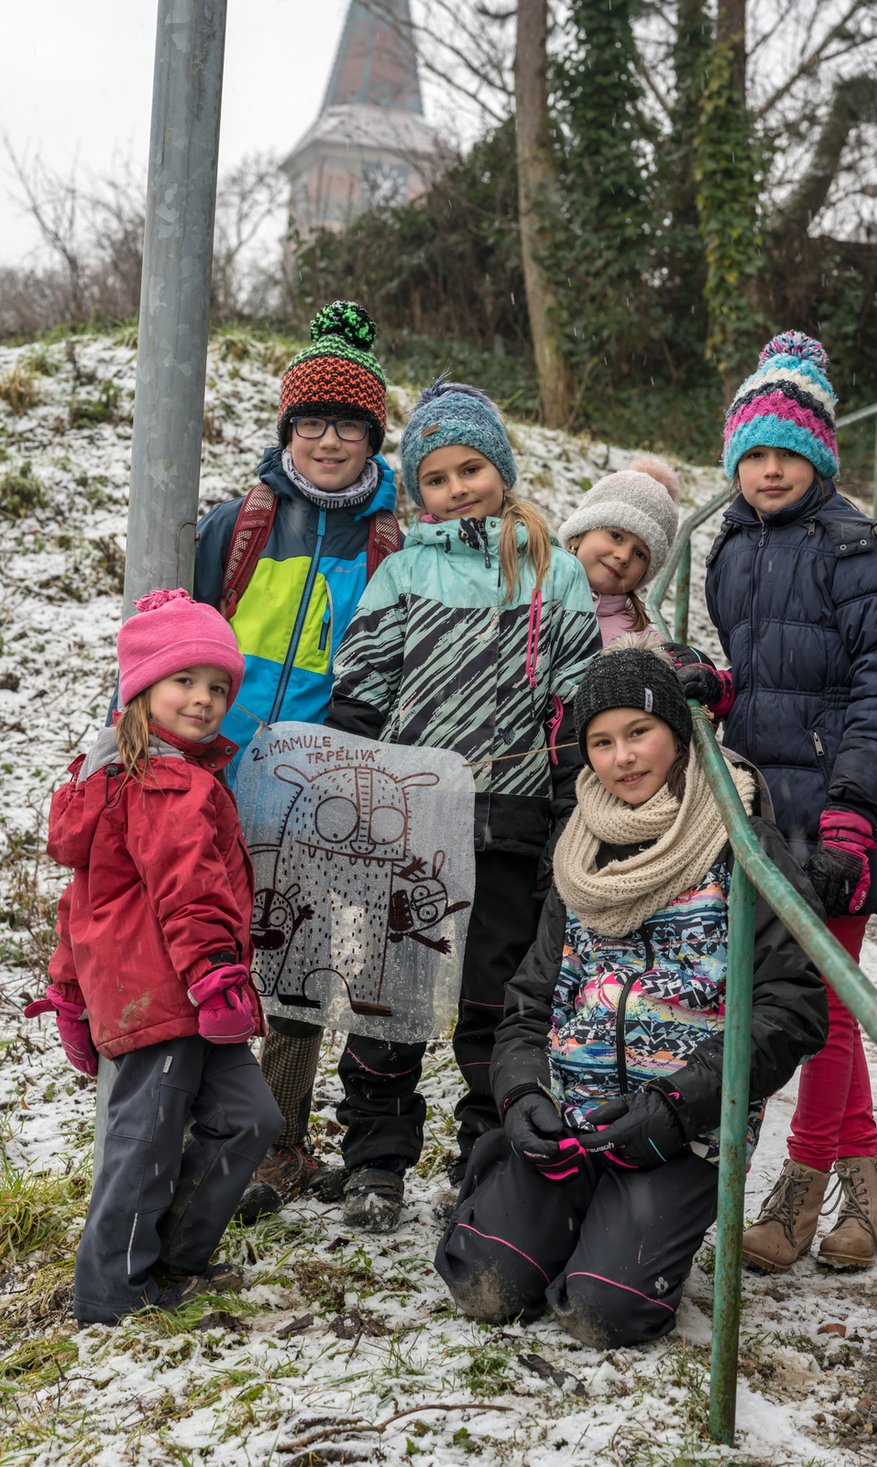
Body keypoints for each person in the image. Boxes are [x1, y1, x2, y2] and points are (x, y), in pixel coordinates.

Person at [434, 638, 828, 1347]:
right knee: (485, 1282)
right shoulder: (578, 852)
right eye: (601, 741)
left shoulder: (742, 842)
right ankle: (524, 1178)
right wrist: (523, 1095)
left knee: (602, 1312)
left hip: (682, 1129)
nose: (623, 756)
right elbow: (529, 997)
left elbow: (791, 1007)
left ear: (677, 733)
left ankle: (616, 1231)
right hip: (571, 1114)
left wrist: (676, 1104)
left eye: (639, 731)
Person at [324, 378, 602, 1231]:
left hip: (513, 825)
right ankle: (375, 1156)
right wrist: (356, 788)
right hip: (410, 825)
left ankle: (488, 1150)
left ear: (502, 469)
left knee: (496, 998)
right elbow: (363, 687)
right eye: (435, 478)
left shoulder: (552, 573)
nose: (455, 489)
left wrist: (568, 810)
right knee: (388, 994)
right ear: (418, 490)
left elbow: (574, 704)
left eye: (470, 469)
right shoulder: (404, 570)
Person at [677, 330, 877, 1272]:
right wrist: (721, 689)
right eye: (752, 455)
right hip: (764, 811)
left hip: (838, 812)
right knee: (806, 999)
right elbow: (770, 674)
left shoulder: (855, 551)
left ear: (816, 457)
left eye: (785, 454)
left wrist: (854, 815)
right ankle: (868, 1189)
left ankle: (803, 1184)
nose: (767, 471)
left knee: (822, 1005)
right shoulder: (732, 548)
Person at [193, 300, 402, 1218]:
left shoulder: (393, 542)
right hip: (217, 785)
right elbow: (177, 642)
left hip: (327, 790)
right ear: (286, 429)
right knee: (205, 957)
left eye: (348, 425)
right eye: (311, 421)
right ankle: (195, 1127)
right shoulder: (235, 527)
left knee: (299, 971)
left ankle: (276, 1144)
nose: (327, 440)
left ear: (372, 437)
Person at [26, 589, 282, 1326]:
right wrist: (214, 973)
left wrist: (70, 990)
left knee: (248, 1118)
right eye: (184, 681)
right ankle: (113, 1296)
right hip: (170, 993)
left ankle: (172, 1257)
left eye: (217, 687)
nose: (203, 700)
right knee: (145, 1142)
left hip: (182, 994)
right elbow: (187, 890)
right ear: (141, 687)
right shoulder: (165, 782)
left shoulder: (160, 775)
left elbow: (86, 905)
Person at [557, 456, 680, 643]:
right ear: (581, 531)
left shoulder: (641, 644)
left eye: (640, 554)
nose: (623, 556)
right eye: (616, 535)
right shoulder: (522, 588)